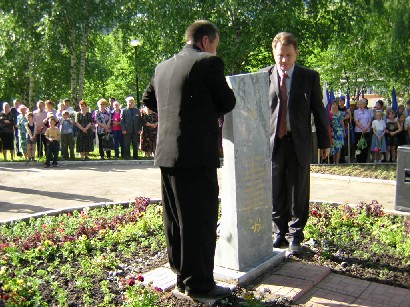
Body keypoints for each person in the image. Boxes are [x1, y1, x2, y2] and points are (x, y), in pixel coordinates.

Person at [142, 20, 236, 299]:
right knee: (199, 221)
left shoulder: (163, 66)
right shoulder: (208, 62)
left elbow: (149, 99)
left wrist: (178, 109)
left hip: (167, 154)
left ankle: (182, 274)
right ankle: (199, 284)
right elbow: (228, 102)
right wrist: (197, 111)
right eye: (215, 45)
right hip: (196, 155)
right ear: (206, 41)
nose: (215, 51)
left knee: (175, 219)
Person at [261, 32, 330, 255]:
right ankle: (278, 232)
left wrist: (324, 142)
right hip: (274, 142)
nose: (284, 60)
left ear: (296, 53)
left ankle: (295, 235)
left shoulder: (309, 77)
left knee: (298, 189)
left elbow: (319, 111)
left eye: (288, 55)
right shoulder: (264, 76)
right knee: (276, 188)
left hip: (299, 141)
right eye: (280, 55)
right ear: (273, 53)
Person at [354, 99, 372, 163]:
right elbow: (356, 121)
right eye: (359, 104)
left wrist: (366, 128)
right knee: (359, 146)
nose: (360, 105)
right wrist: (362, 128)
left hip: (367, 131)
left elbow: (370, 120)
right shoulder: (356, 111)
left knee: (365, 146)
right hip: (359, 131)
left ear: (364, 104)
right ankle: (358, 160)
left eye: (361, 104)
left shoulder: (368, 111)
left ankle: (364, 160)